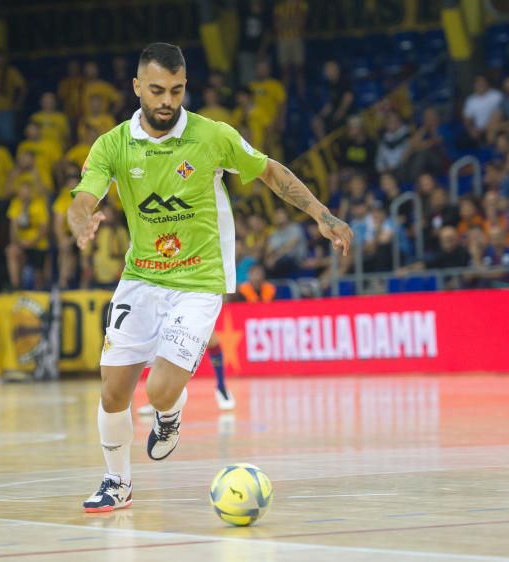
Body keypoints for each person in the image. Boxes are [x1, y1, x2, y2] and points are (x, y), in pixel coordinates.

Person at [66, 43, 352, 513]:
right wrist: (82, 219)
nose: (166, 101)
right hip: (141, 277)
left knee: (158, 390)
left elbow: (271, 173)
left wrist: (322, 215)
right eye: (156, 90)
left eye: (176, 91)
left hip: (199, 282)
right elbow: (85, 196)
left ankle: (170, 412)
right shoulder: (113, 144)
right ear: (137, 87)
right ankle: (117, 481)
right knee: (113, 390)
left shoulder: (211, 136)